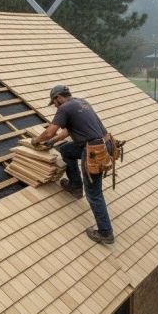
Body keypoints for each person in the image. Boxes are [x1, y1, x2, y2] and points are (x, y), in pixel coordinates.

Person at [33, 85, 115, 244]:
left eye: (54, 102)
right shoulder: (80, 102)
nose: (55, 106)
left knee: (94, 193)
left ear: (58, 98)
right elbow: (69, 131)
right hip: (105, 144)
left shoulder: (64, 108)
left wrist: (37, 140)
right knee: (66, 150)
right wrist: (52, 142)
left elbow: (50, 131)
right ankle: (75, 186)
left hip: (94, 151)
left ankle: (105, 232)